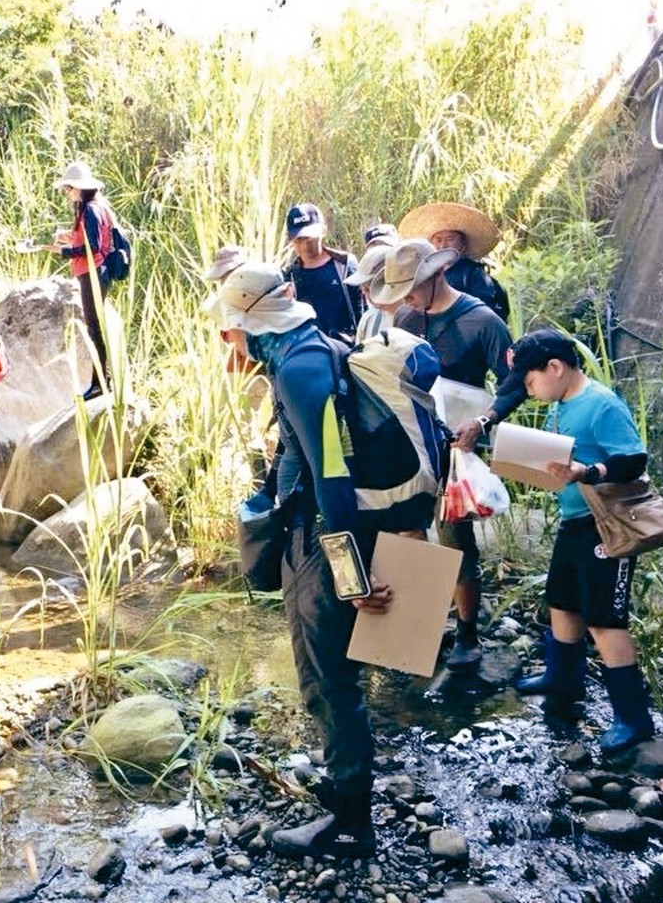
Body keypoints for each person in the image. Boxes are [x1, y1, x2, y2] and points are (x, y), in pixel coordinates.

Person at [209, 262, 390, 858]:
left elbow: (333, 476)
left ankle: (351, 827)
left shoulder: (302, 370)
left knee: (328, 681)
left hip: (327, 537)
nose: (224, 341)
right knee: (331, 676)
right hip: (315, 529)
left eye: (228, 328)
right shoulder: (301, 352)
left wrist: (350, 575)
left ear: (253, 324)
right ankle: (347, 796)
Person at [374, 239, 522, 671]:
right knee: (406, 532)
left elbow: (514, 382)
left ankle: (468, 634)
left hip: (458, 446)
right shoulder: (405, 316)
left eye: (413, 286)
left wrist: (484, 422)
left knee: (456, 540)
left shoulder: (481, 321)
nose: (407, 296)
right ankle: (412, 627)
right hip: (410, 445)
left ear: (438, 275)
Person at [508, 329, 656, 755]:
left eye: (530, 380)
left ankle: (632, 717)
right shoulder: (562, 404)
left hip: (606, 524)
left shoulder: (601, 404)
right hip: (574, 521)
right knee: (562, 600)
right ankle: (563, 679)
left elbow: (633, 459)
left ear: (555, 368)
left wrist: (587, 473)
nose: (528, 389)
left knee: (604, 618)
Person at [50, 161, 117, 400]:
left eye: (67, 188)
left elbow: (93, 247)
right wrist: (69, 237)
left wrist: (62, 251)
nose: (66, 193)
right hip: (94, 272)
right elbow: (90, 238)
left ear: (78, 187)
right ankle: (102, 381)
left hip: (92, 273)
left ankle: (101, 383)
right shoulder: (95, 206)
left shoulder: (90, 209)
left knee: (95, 330)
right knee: (96, 329)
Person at [397, 202, 511, 324]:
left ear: (462, 245)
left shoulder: (473, 273)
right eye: (438, 240)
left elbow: (486, 314)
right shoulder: (426, 274)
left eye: (450, 239)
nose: (443, 245)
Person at [280, 203, 362, 343]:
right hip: (311, 353)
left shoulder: (344, 265)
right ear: (291, 239)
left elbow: (361, 310)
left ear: (322, 231)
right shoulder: (290, 277)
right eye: (299, 239)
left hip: (349, 350)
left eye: (309, 238)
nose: (305, 244)